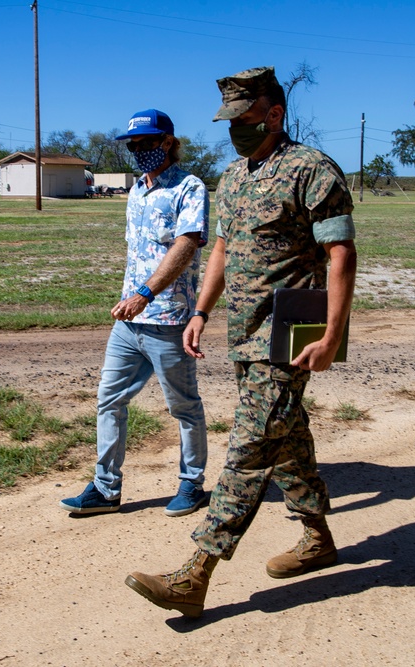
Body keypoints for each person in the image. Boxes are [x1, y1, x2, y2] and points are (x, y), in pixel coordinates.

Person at [125, 67, 358, 617]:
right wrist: (200, 312)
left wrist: (331, 335)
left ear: (275, 114)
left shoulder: (312, 171)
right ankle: (317, 537)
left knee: (251, 447)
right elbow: (222, 253)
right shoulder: (232, 178)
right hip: (246, 328)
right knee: (286, 435)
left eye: (245, 119)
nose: (236, 131)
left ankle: (195, 573)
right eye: (229, 122)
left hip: (294, 326)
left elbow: (341, 256)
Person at [60, 108, 211, 518]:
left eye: (146, 143)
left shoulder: (189, 187)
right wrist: (133, 298)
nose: (138, 151)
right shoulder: (136, 191)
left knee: (183, 405)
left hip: (168, 319)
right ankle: (106, 490)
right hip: (129, 321)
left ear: (166, 141)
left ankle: (191, 485)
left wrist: (146, 293)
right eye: (133, 145)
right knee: (109, 400)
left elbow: (186, 246)